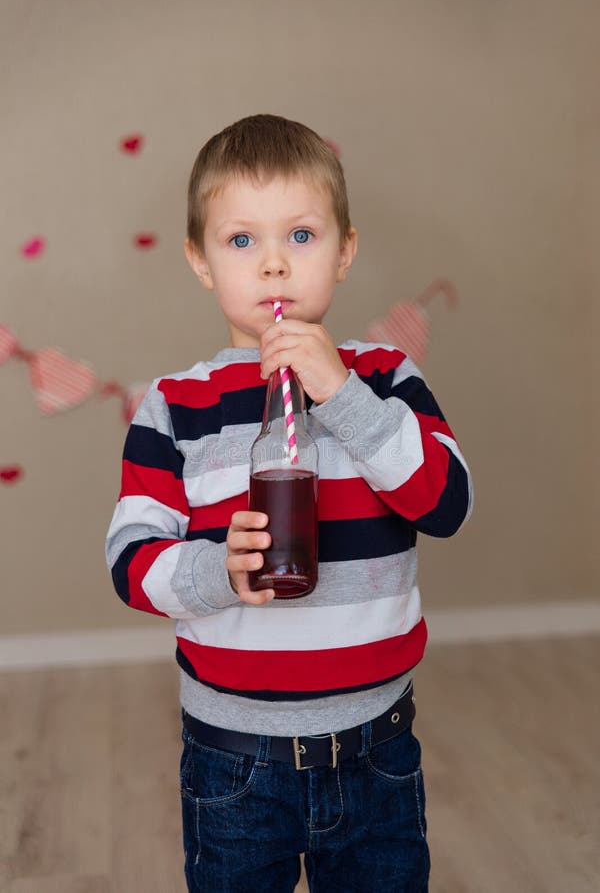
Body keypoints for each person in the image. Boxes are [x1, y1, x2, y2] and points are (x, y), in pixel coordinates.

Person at [105, 114, 473, 892]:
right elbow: (131, 559)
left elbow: (445, 504)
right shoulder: (174, 407)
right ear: (200, 262)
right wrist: (214, 570)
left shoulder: (386, 377)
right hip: (234, 761)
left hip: (377, 750)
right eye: (241, 242)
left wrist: (342, 391)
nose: (273, 265)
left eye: (301, 236)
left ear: (345, 250)